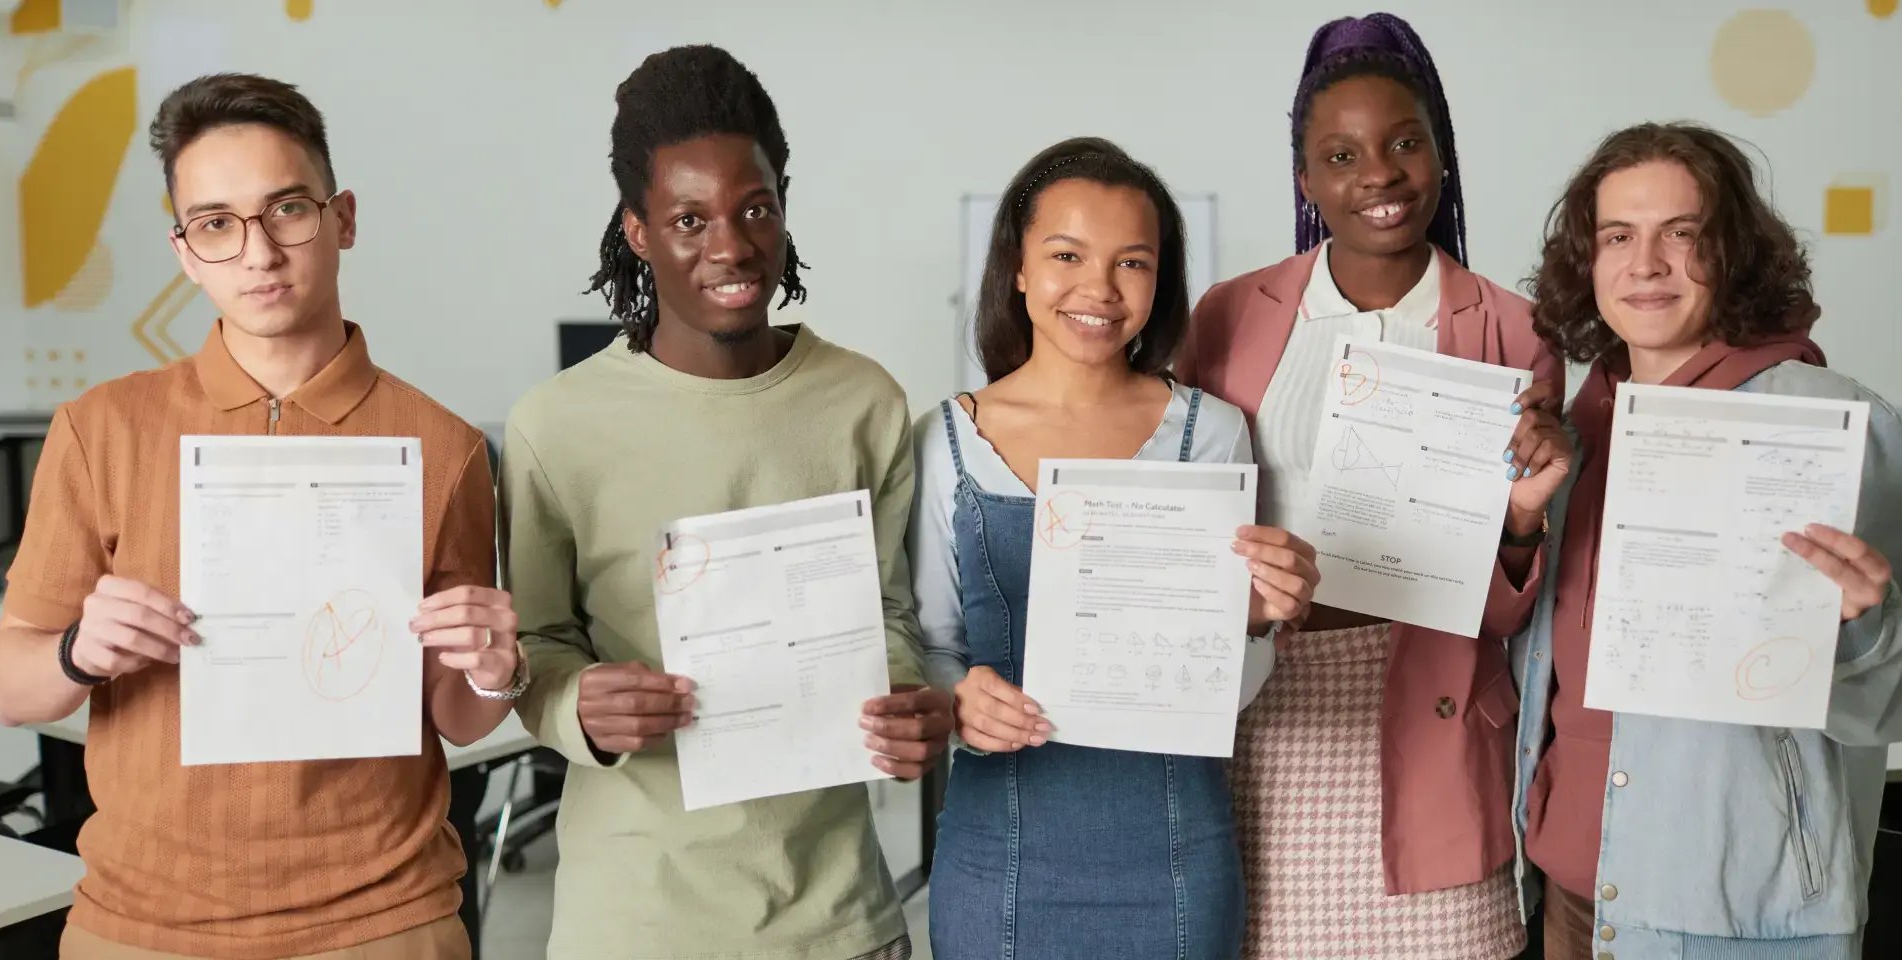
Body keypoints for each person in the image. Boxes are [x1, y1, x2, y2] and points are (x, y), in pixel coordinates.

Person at [0, 73, 520, 960]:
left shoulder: (443, 445)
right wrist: (78, 649)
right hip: (143, 924)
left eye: (288, 210)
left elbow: (456, 715)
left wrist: (495, 672)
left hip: (385, 920)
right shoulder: (101, 429)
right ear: (185, 251)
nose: (258, 253)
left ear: (343, 219)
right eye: (217, 224)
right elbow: (7, 688)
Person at [501, 45, 949, 960]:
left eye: (755, 208)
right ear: (637, 231)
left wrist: (901, 697)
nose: (732, 247)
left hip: (834, 920)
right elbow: (534, 650)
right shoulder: (557, 424)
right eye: (689, 219)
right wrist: (577, 707)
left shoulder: (865, 401)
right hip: (633, 922)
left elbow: (887, 611)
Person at [1512, 121, 1902, 960]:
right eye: (1618, 236)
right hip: (1568, 891)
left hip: (1735, 912)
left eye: (1682, 235)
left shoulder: (1835, 424)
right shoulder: (1579, 422)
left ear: (1735, 254)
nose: (1645, 264)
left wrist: (1864, 622)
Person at [1176, 13, 1570, 958]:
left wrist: (1518, 527)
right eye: (1342, 154)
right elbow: (1191, 515)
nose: (1379, 176)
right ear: (1307, 179)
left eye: (1404, 143)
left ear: (1440, 154)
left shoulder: (1517, 331)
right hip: (1269, 726)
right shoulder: (1231, 314)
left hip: (1432, 720)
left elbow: (1516, 607)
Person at [910, 136, 1320, 959]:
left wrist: (1251, 622)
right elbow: (928, 642)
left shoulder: (1209, 432)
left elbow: (1233, 692)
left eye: (1132, 262)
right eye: (1067, 254)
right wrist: (957, 700)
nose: (1098, 288)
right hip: (999, 862)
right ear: (1018, 267)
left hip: (1176, 858)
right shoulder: (947, 438)